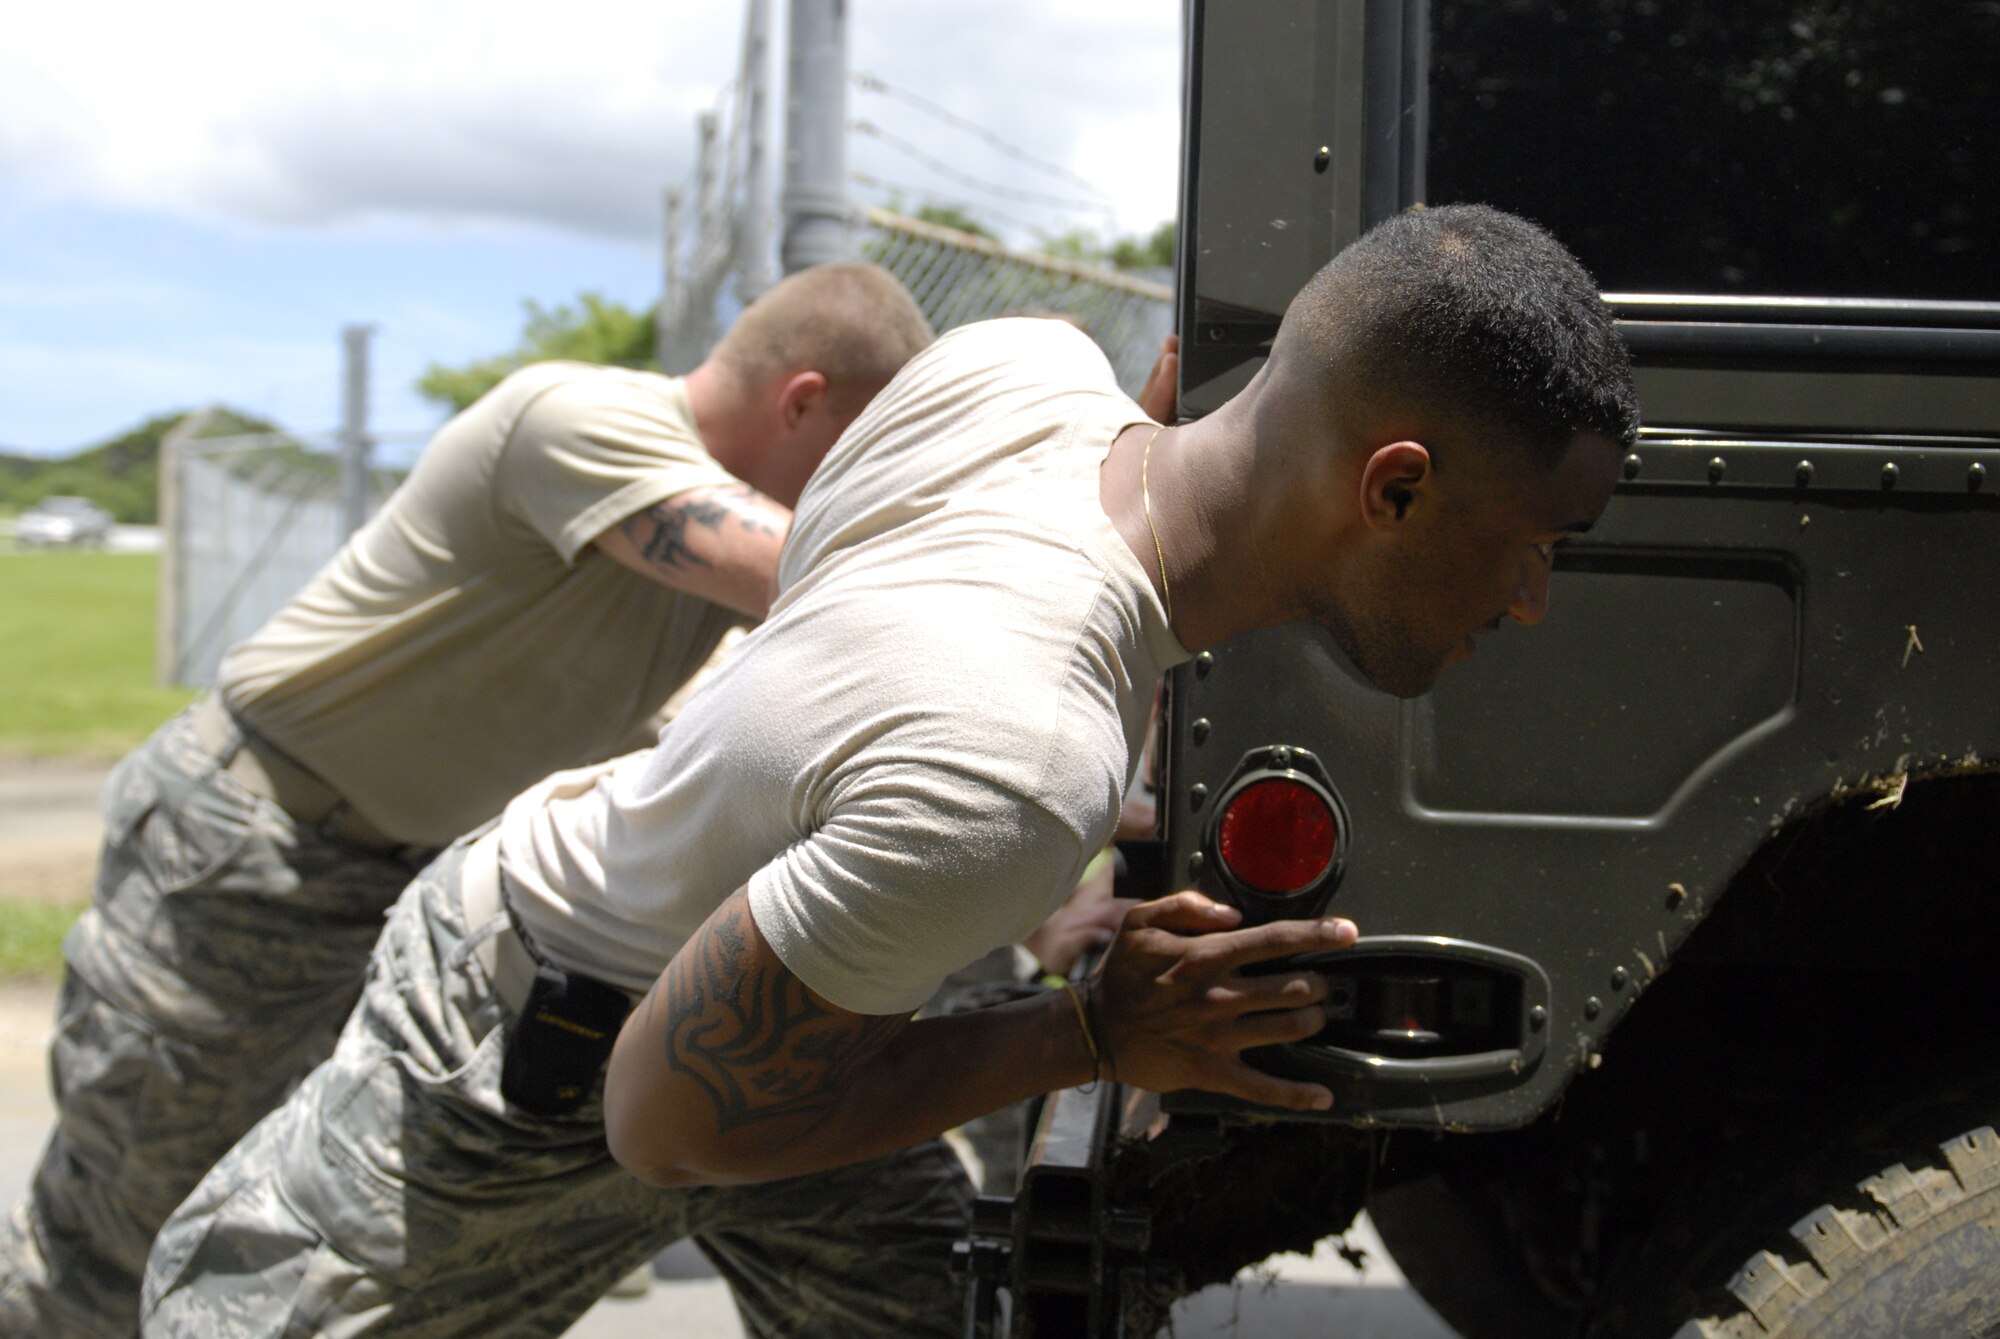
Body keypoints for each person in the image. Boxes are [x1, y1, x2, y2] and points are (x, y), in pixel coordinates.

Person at [139, 204, 1639, 1335]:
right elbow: (670, 1123)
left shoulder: (1021, 370)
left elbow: (839, 659)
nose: (1530, 602)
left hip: (773, 1005)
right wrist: (1095, 1030)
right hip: (530, 1038)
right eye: (1536, 545)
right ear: (1394, 486)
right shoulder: (1015, 758)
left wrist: (945, 881)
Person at [0, 262, 935, 1339]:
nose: (860, 483)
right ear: (801, 399)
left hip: (407, 890)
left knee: (291, 1249)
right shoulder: (578, 418)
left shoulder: (697, 581)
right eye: (862, 449)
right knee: (118, 1233)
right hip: (254, 854)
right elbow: (812, 577)